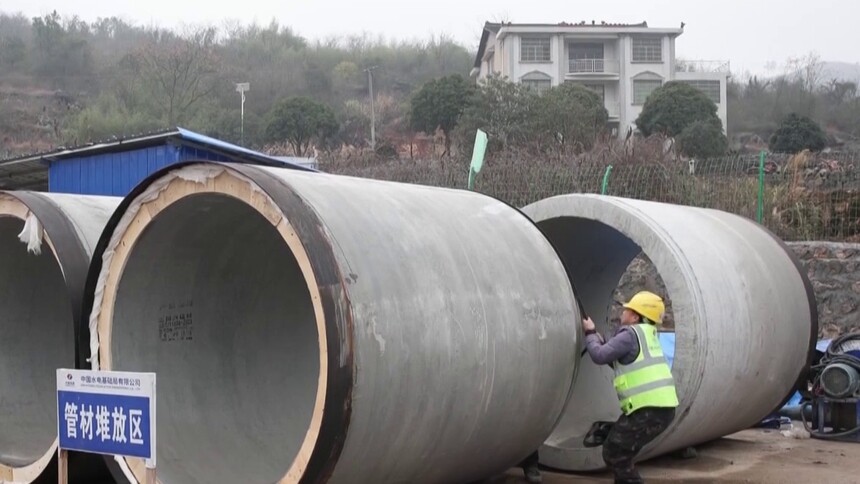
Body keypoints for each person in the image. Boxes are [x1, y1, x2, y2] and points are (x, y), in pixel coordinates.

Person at [581, 291, 679, 484]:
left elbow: (599, 356)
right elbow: (626, 362)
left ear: (635, 316)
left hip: (647, 410)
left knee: (614, 452)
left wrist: (590, 333)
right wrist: (602, 343)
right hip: (663, 410)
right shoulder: (648, 335)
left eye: (627, 309)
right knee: (619, 448)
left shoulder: (629, 334)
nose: (623, 312)